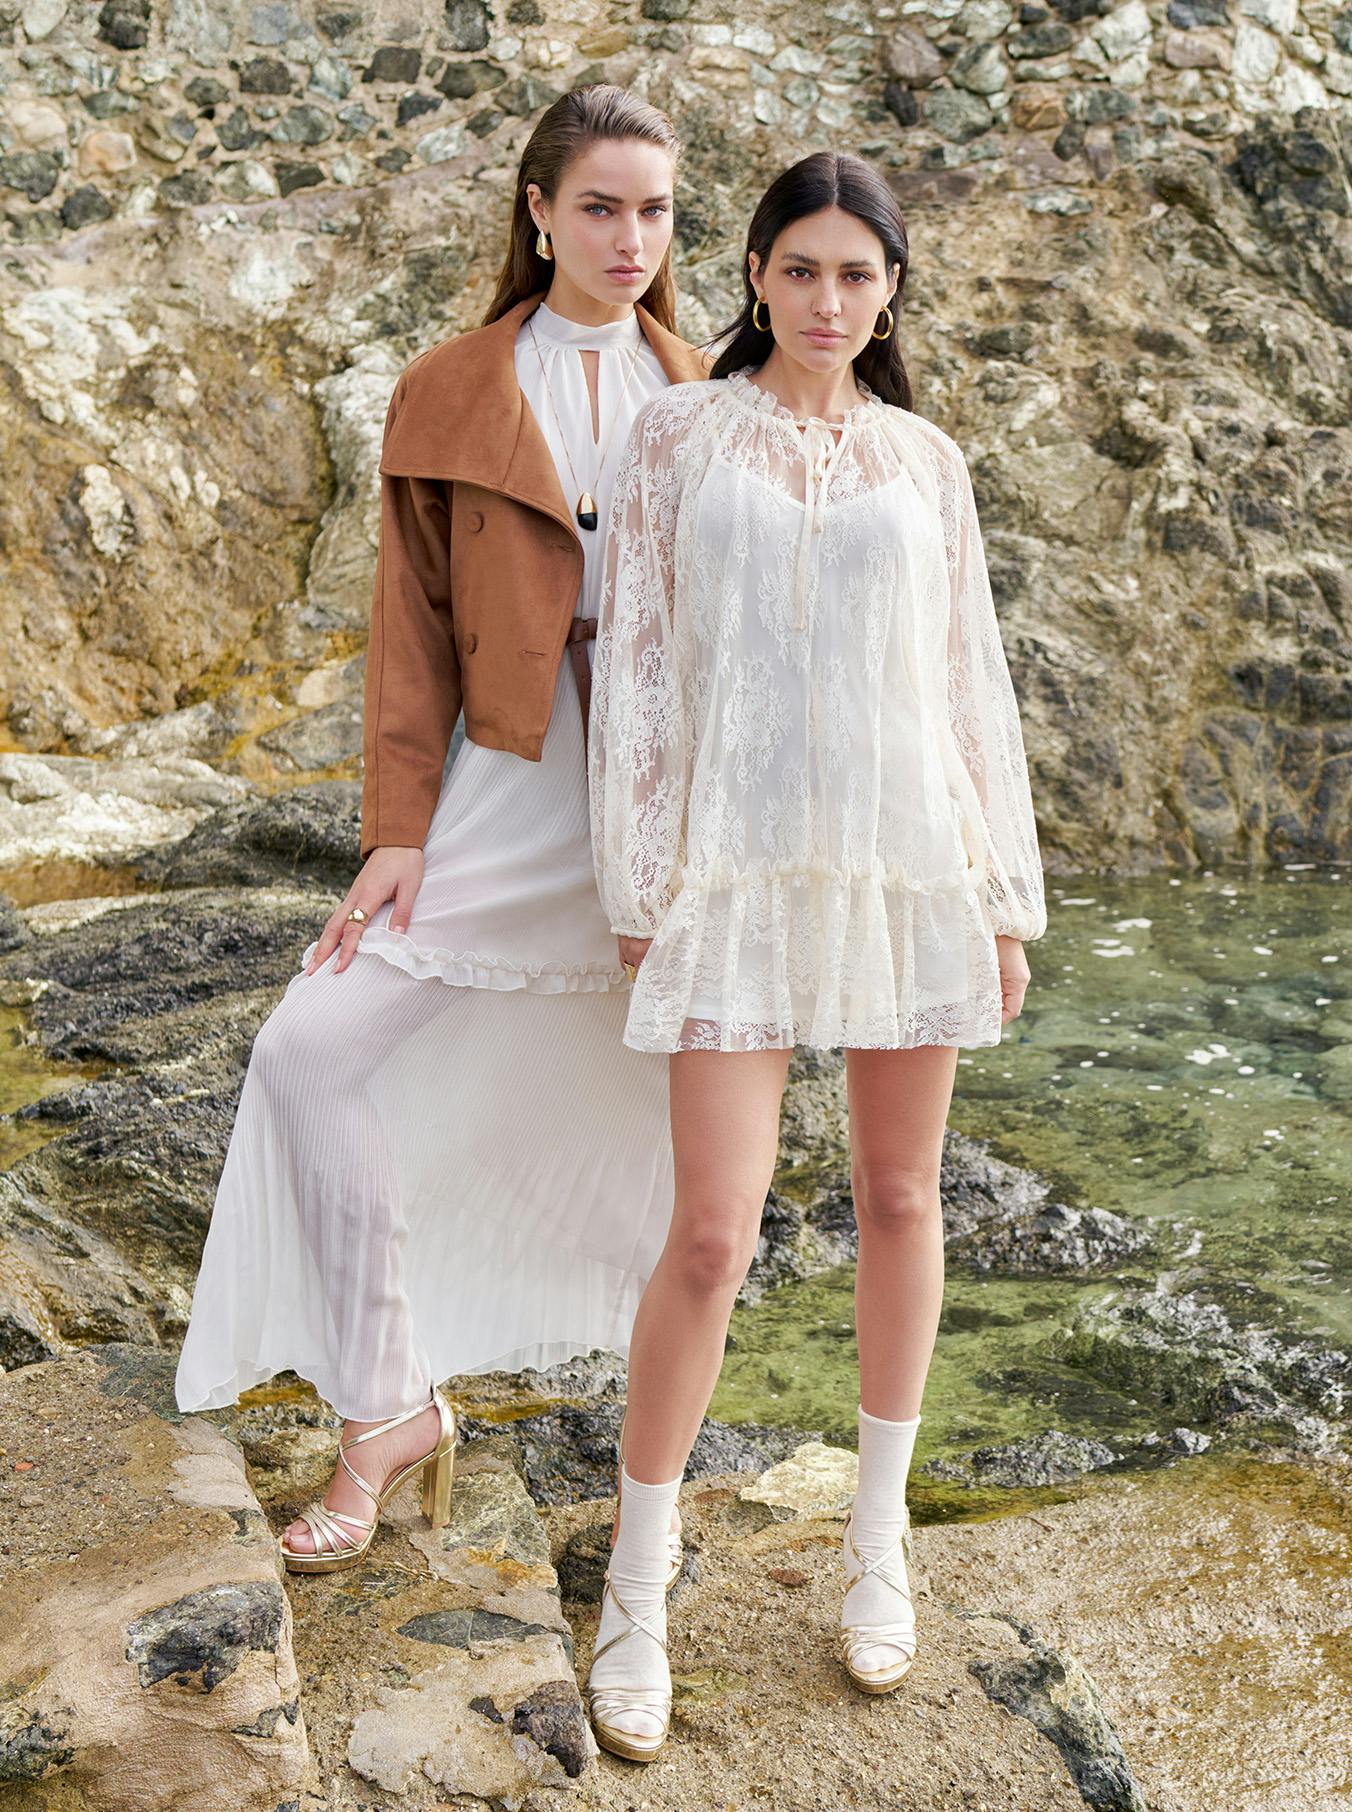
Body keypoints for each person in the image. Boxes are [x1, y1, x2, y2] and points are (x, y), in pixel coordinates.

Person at [173, 85, 707, 1576]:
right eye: (598, 205)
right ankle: (388, 1402)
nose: (627, 236)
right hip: (502, 794)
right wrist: (397, 830)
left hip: (658, 823)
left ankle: (655, 1519)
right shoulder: (450, 387)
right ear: (537, 210)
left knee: (696, 1170)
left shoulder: (707, 390)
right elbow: (408, 633)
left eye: (654, 210)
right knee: (307, 1050)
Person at [583, 149, 1048, 1759]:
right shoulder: (676, 437)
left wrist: (1002, 897)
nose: (829, 300)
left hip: (903, 865)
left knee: (902, 1199)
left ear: (891, 290)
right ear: (758, 274)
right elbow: (634, 664)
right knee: (711, 1237)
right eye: (802, 269)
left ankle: (877, 1548)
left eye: (859, 274)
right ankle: (637, 1588)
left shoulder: (928, 463)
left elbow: (969, 685)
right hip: (728, 874)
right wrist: (641, 879)